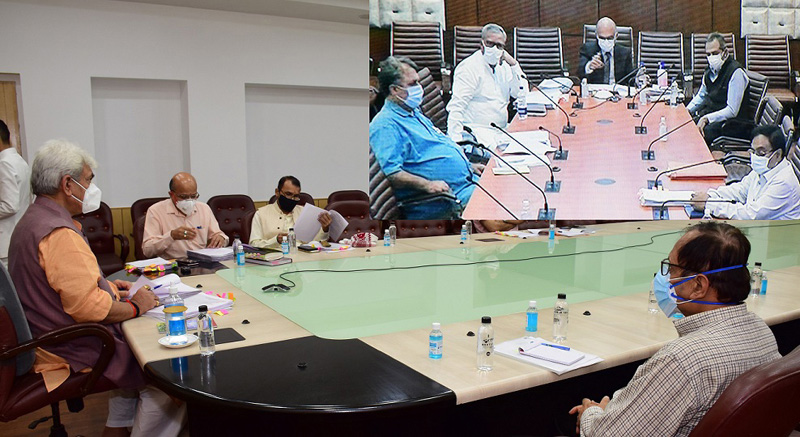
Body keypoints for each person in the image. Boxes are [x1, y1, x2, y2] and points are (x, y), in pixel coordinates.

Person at [8, 140, 185, 436]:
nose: (91, 188)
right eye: (88, 180)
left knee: (137, 368)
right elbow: (89, 309)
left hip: (48, 335)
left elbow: (64, 286)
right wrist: (136, 305)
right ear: (68, 184)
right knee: (167, 374)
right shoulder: (59, 233)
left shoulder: (33, 220)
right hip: (69, 347)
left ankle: (117, 428)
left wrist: (106, 286)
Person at [569, 222, 780, 437]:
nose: (667, 278)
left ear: (698, 286)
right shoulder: (762, 331)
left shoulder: (682, 360)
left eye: (672, 268)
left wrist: (591, 413)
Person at [370, 56, 482, 219]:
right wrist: (427, 185)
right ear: (394, 90)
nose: (419, 88)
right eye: (413, 84)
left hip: (468, 181)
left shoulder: (412, 111)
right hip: (445, 199)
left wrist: (468, 165)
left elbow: (435, 147)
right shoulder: (385, 126)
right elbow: (392, 172)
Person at [691, 125, 800, 219]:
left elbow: (751, 215)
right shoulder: (765, 168)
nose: (755, 157)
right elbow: (741, 191)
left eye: (761, 153)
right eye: (753, 151)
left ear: (777, 154)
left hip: (775, 237)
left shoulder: (784, 182)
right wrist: (710, 195)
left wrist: (709, 204)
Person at [446, 23, 526, 149]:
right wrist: (456, 144)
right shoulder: (468, 68)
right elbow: (457, 107)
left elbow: (520, 94)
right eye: (490, 44)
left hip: (502, 131)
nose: (494, 49)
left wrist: (514, 64)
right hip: (479, 133)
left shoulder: (504, 66)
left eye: (499, 46)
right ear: (481, 44)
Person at [142, 172, 229, 259]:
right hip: (173, 264)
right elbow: (147, 250)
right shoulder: (156, 211)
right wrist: (171, 236)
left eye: (193, 196)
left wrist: (221, 238)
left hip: (201, 262)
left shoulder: (204, 208)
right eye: (184, 197)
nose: (189, 201)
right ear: (171, 194)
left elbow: (219, 235)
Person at [686, 33, 749, 146]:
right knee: (686, 127)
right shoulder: (709, 71)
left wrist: (706, 119)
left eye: (715, 53)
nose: (711, 58)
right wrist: (686, 111)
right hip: (713, 118)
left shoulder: (736, 72)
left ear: (725, 52)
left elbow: (732, 110)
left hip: (732, 124)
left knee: (696, 136)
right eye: (708, 54)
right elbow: (702, 96)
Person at [249, 176, 331, 248]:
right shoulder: (261, 213)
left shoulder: (304, 212)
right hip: (273, 258)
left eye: (296, 196)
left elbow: (315, 243)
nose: (292, 199)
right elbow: (254, 244)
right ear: (277, 192)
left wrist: (325, 229)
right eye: (288, 194)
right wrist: (276, 240)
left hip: (302, 257)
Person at [0, 119, 31, 267]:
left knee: (7, 288)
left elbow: (10, 205)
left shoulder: (4, 163)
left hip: (5, 242)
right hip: (19, 235)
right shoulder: (19, 160)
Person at [578, 17, 634, 86]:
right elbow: (579, 73)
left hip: (617, 92)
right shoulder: (587, 49)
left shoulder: (625, 53)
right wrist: (589, 67)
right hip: (596, 92)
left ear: (616, 36)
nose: (606, 42)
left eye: (610, 38)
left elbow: (631, 79)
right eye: (602, 38)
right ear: (596, 35)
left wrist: (638, 79)